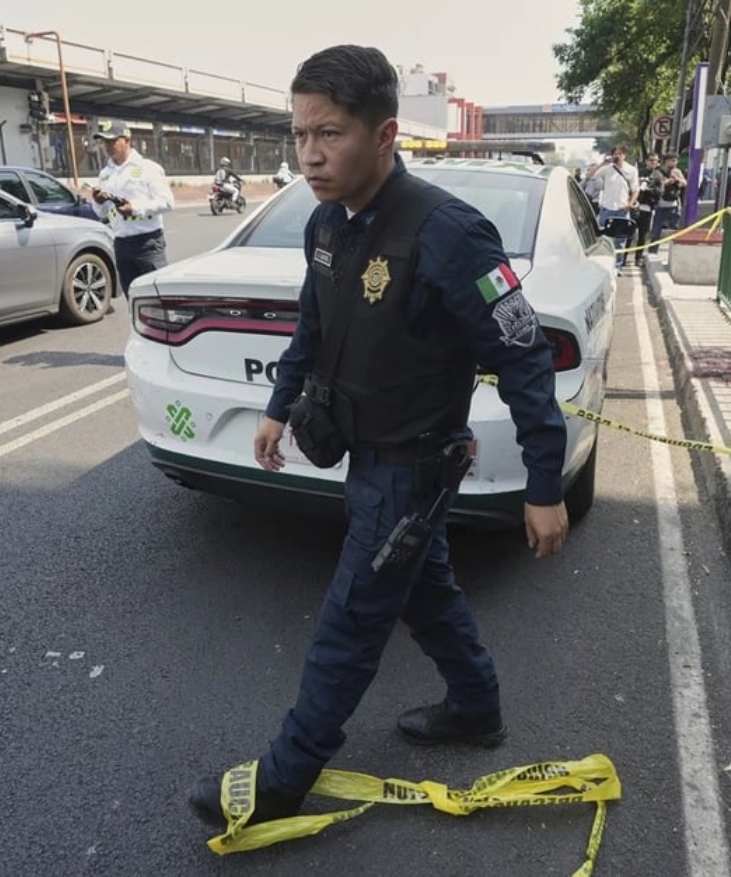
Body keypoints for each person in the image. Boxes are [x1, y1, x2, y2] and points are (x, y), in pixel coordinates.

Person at [187, 44, 570, 830]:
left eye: (329, 134)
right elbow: (313, 324)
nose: (309, 154)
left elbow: (524, 355)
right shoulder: (327, 224)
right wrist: (277, 405)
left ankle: (283, 779)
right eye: (300, 134)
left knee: (351, 621)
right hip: (363, 454)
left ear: (385, 133)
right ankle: (476, 706)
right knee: (425, 591)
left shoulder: (450, 234)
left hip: (414, 468)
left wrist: (543, 485)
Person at [88, 118, 174, 299]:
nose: (107, 146)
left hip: (148, 243)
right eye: (104, 142)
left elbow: (167, 202)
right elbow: (102, 213)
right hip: (121, 244)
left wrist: (135, 208)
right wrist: (98, 202)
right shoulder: (105, 174)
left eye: (112, 141)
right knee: (134, 299)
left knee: (158, 298)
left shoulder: (148, 168)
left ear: (127, 140)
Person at [586, 144, 639, 274]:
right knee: (604, 240)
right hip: (607, 208)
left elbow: (635, 189)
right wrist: (602, 163)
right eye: (615, 153)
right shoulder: (607, 169)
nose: (617, 156)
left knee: (620, 241)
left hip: (622, 209)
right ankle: (604, 266)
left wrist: (630, 204)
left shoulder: (631, 170)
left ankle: (617, 267)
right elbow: (590, 176)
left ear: (624, 155)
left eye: (620, 153)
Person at [648, 154, 686, 254]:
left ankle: (674, 252)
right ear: (666, 161)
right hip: (661, 206)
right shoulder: (658, 172)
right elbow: (653, 185)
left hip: (674, 206)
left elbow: (685, 183)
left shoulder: (677, 171)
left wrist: (677, 179)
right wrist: (666, 183)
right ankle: (652, 252)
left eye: (675, 161)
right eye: (672, 161)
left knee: (675, 231)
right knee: (656, 232)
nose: (674, 163)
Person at [632, 153, 663, 266]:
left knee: (643, 235)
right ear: (646, 161)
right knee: (629, 233)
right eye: (651, 160)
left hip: (647, 208)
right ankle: (622, 258)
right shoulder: (638, 172)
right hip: (634, 206)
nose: (653, 162)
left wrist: (649, 189)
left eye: (655, 160)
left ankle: (638, 258)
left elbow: (660, 191)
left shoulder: (658, 175)